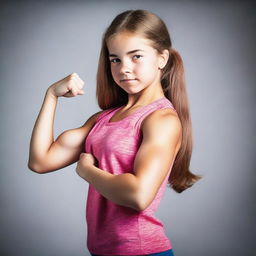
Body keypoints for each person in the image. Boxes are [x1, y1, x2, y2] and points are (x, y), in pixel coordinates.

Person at [28, 9, 202, 256]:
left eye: (136, 56)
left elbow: (139, 195)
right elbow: (40, 161)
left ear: (161, 58)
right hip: (102, 251)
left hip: (142, 251)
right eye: (115, 59)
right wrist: (51, 95)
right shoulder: (104, 118)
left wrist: (87, 171)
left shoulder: (161, 119)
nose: (124, 68)